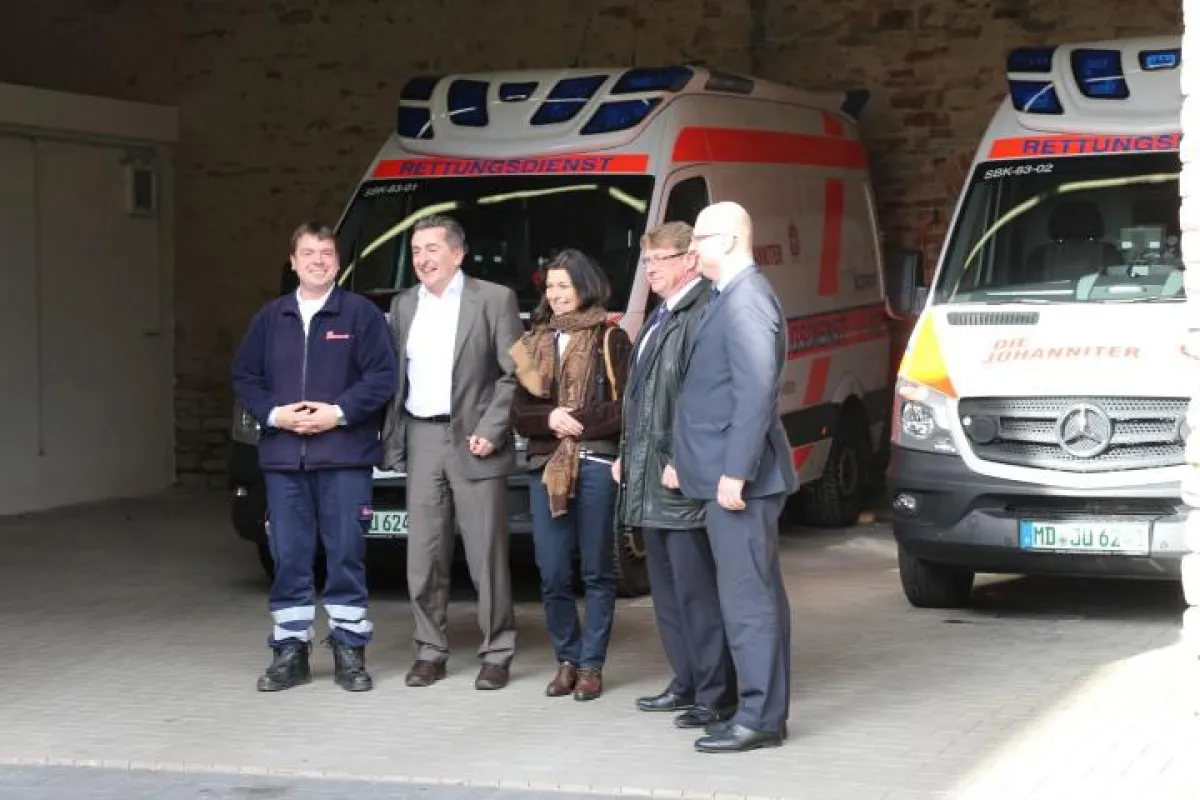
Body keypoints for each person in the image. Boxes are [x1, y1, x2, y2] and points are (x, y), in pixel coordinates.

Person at [231, 221, 398, 693]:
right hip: (284, 460)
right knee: (289, 556)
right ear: (293, 262)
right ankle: (290, 651)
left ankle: (349, 649)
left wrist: (337, 413)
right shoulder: (271, 318)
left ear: (338, 262)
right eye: (308, 253)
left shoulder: (361, 315)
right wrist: (275, 415)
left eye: (326, 253)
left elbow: (382, 376)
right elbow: (245, 376)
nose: (318, 261)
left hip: (344, 457)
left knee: (346, 553)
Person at [673, 201, 798, 753]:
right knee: (750, 598)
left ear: (726, 240)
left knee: (750, 603)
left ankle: (759, 718)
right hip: (725, 473)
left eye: (698, 239)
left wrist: (735, 472)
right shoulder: (729, 296)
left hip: (741, 481)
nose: (691, 250)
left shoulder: (745, 299)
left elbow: (754, 392)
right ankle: (758, 711)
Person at [380, 213, 523, 690]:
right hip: (422, 437)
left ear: (458, 254)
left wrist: (492, 428)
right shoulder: (404, 305)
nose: (422, 259)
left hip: (474, 440)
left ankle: (497, 651)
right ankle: (429, 650)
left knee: (486, 554)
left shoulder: (495, 299)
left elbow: (515, 373)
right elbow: (397, 380)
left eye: (432, 249)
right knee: (423, 555)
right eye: (416, 251)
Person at [612, 222, 738, 728]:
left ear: (689, 259)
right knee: (666, 593)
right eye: (646, 261)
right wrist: (628, 455)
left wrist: (685, 460)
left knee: (695, 592)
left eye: (659, 259)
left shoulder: (700, 313)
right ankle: (686, 681)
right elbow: (642, 401)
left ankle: (715, 692)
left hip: (679, 477)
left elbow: (700, 400)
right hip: (651, 475)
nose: (650, 269)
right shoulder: (661, 315)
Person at [510, 249, 632, 702]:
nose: (557, 294)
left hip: (596, 463)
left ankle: (591, 665)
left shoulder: (612, 337)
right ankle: (567, 658)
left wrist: (575, 421)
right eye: (551, 286)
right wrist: (549, 419)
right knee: (552, 570)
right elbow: (519, 412)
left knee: (597, 569)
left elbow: (627, 406)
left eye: (565, 285)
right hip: (546, 467)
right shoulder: (531, 343)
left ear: (585, 287)